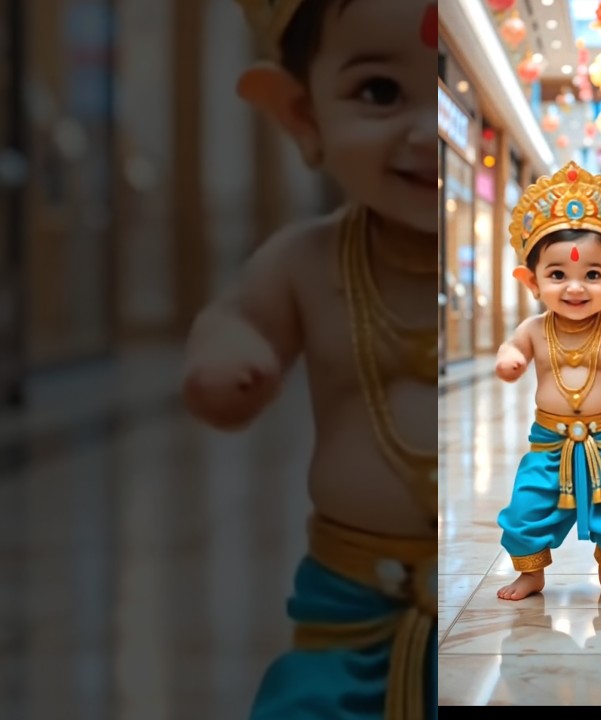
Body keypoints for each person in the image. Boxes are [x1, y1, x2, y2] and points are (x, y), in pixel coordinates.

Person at [182, 1, 435, 718]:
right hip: (352, 606)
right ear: (301, 116)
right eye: (381, 93)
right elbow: (234, 316)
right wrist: (229, 352)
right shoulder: (305, 261)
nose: (431, 131)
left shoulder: (528, 267)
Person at [493, 161, 601, 601]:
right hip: (550, 440)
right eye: (556, 275)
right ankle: (530, 574)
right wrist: (510, 359)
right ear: (531, 282)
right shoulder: (532, 328)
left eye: (592, 274)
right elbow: (512, 349)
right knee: (526, 510)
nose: (575, 287)